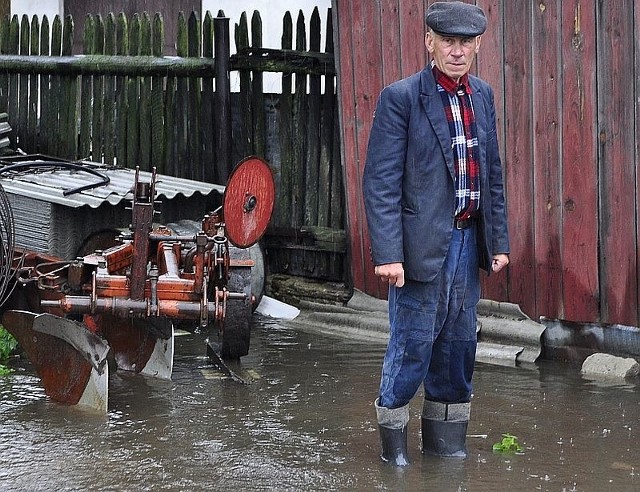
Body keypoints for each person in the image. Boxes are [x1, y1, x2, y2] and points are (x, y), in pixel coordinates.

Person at [362, 1, 510, 466]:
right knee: (412, 345)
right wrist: (388, 253)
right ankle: (395, 458)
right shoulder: (401, 97)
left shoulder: (482, 96)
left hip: (468, 244)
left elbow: (492, 174)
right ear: (429, 41)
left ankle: (447, 451)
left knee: (458, 347)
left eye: (467, 42)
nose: (458, 51)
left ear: (479, 45)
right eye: (449, 41)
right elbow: (380, 182)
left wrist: (499, 241)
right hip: (419, 248)